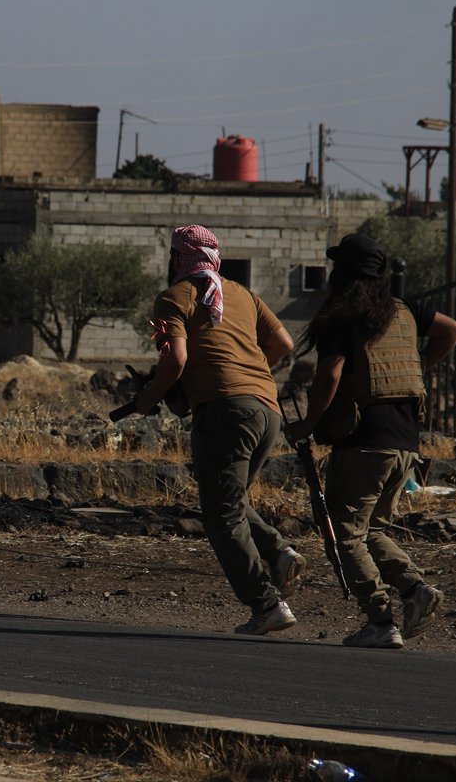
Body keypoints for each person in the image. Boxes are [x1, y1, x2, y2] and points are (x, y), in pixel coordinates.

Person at [285, 233, 456, 649]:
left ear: (341, 273)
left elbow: (329, 375)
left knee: (347, 535)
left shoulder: (342, 316)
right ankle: (416, 590)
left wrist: (308, 424)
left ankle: (381, 621)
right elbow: (453, 330)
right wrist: (419, 367)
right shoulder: (404, 311)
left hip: (363, 442)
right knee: (375, 530)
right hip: (405, 444)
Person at [135, 224, 304, 636]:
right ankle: (278, 551)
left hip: (226, 411)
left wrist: (147, 398)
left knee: (220, 515)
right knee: (227, 497)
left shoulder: (173, 297)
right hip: (267, 410)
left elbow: (175, 359)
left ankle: (266, 605)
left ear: (177, 259)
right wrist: (247, 370)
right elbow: (284, 344)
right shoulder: (242, 294)